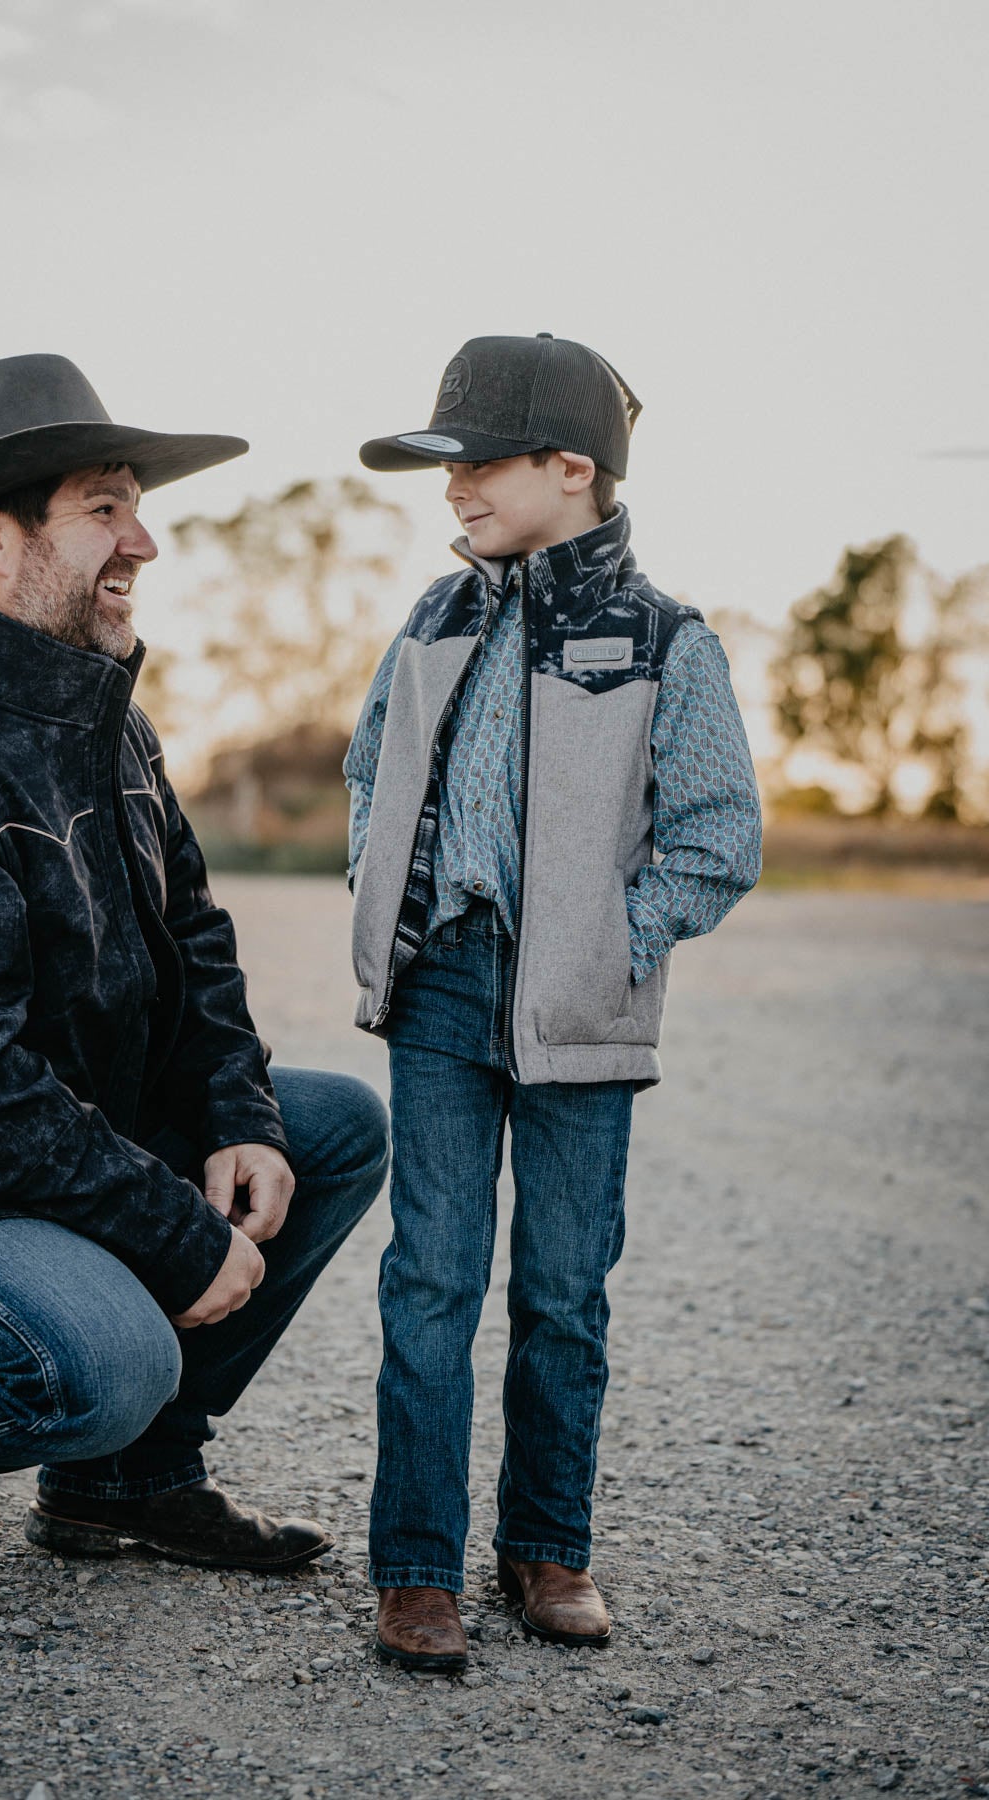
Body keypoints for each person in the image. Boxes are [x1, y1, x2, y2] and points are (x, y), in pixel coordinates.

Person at [0, 353, 389, 1615]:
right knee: (102, 1363)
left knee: (328, 1130)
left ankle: (120, 1489)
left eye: (136, 506)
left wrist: (240, 1114)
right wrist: (168, 1231)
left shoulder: (107, 718)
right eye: (106, 507)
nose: (147, 541)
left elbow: (196, 937)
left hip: (43, 1135)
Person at [344, 333, 762, 1671]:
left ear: (571, 468)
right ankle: (416, 1572)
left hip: (578, 1007)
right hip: (441, 990)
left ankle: (547, 1548)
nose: (451, 487)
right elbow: (370, 775)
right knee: (429, 1286)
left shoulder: (664, 641)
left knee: (567, 1295)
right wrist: (383, 897)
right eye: (443, 465)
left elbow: (714, 837)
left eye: (477, 461)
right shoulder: (434, 619)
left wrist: (607, 949)